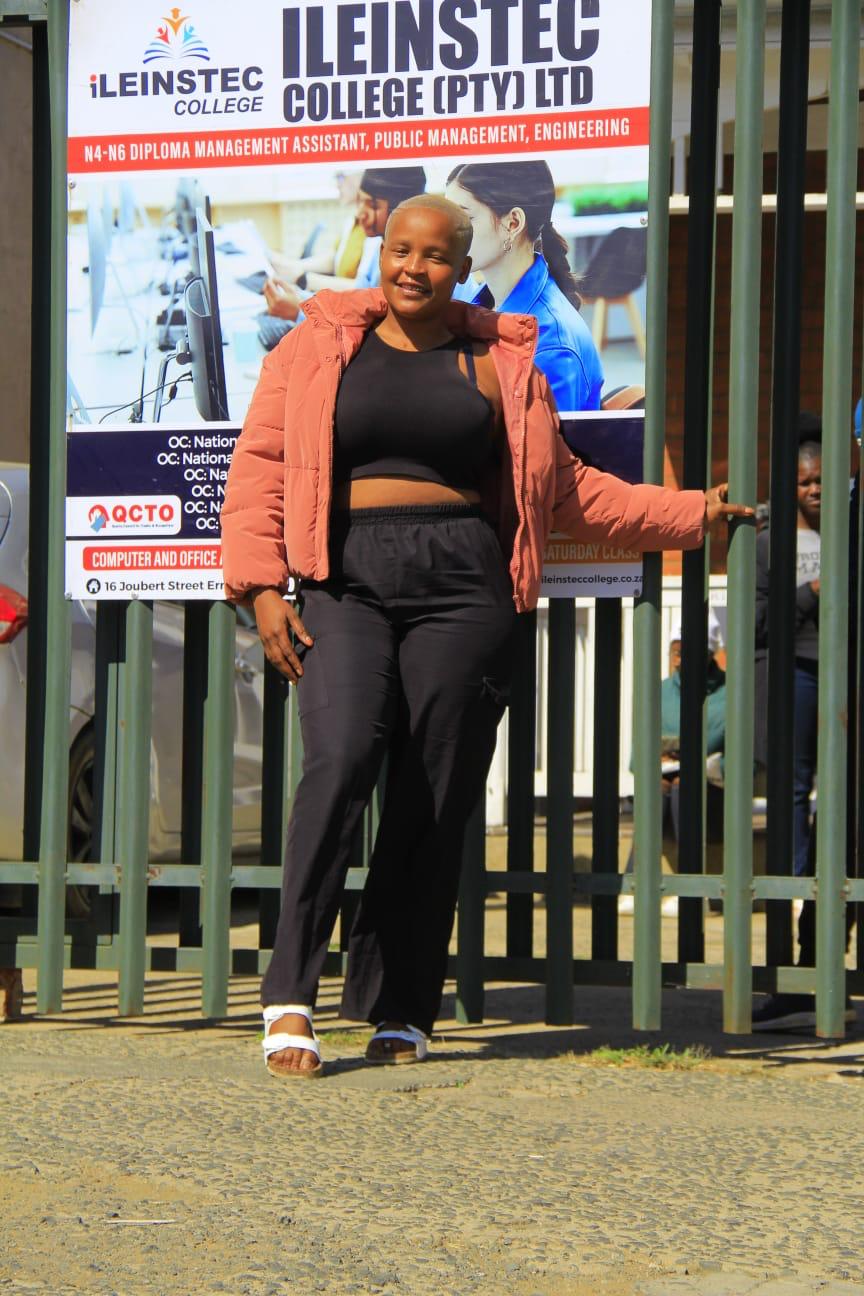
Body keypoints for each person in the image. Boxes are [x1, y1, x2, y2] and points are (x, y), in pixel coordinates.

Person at [220, 195, 751, 1078]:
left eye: (435, 255)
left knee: (435, 791)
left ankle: (401, 1004)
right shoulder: (316, 345)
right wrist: (260, 586)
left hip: (464, 586)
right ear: (381, 253)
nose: (413, 267)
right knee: (341, 760)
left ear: (463, 269)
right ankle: (290, 994)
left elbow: (568, 489)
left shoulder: (501, 361)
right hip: (344, 580)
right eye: (400, 249)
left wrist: (690, 514)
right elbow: (260, 468)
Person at [445, 160, 604, 413]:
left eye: (464, 218)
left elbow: (540, 440)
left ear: (513, 223)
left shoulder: (551, 345)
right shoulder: (480, 306)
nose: (447, 233)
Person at [619, 611, 726, 916]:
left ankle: (690, 886)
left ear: (708, 654)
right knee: (658, 791)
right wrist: (654, 768)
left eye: (684, 653)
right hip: (666, 784)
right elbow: (639, 752)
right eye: (674, 653)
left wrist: (702, 769)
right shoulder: (661, 692)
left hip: (713, 788)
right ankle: (638, 883)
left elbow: (745, 757)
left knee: (684, 788)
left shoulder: (730, 693)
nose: (678, 661)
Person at [263, 166, 427, 321]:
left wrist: (300, 311)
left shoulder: (406, 264)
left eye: (372, 205)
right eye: (360, 201)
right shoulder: (376, 245)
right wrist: (301, 299)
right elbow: (357, 299)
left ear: (399, 208)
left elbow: (367, 325)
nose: (360, 213)